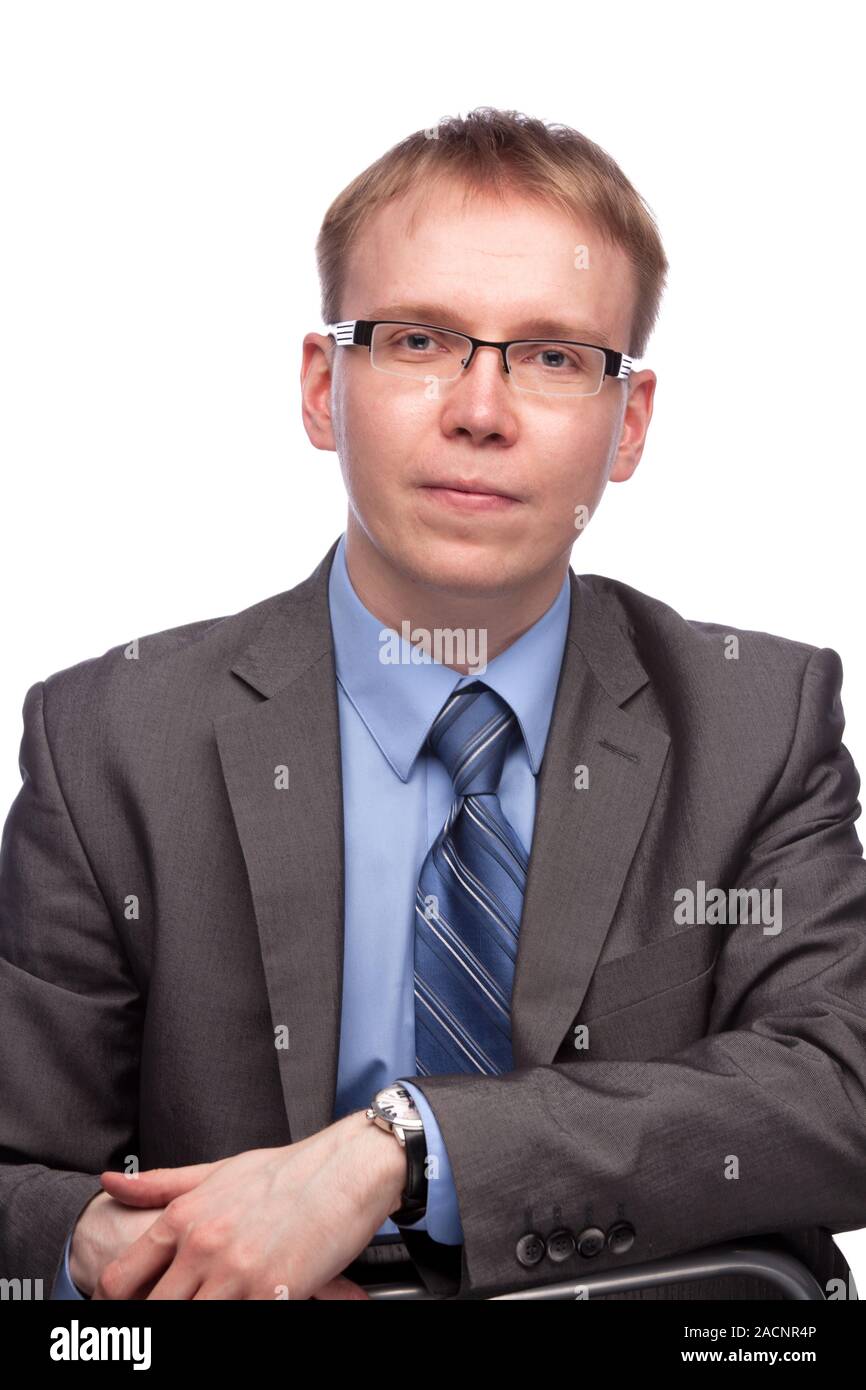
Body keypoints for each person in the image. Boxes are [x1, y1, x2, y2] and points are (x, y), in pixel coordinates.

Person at [2, 107, 865, 1302]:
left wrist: (402, 1147)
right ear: (321, 387)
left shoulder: (756, 718)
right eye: (417, 340)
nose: (479, 410)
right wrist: (91, 1238)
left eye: (554, 356)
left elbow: (836, 1091)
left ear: (630, 423)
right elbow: (16, 1168)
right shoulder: (109, 740)